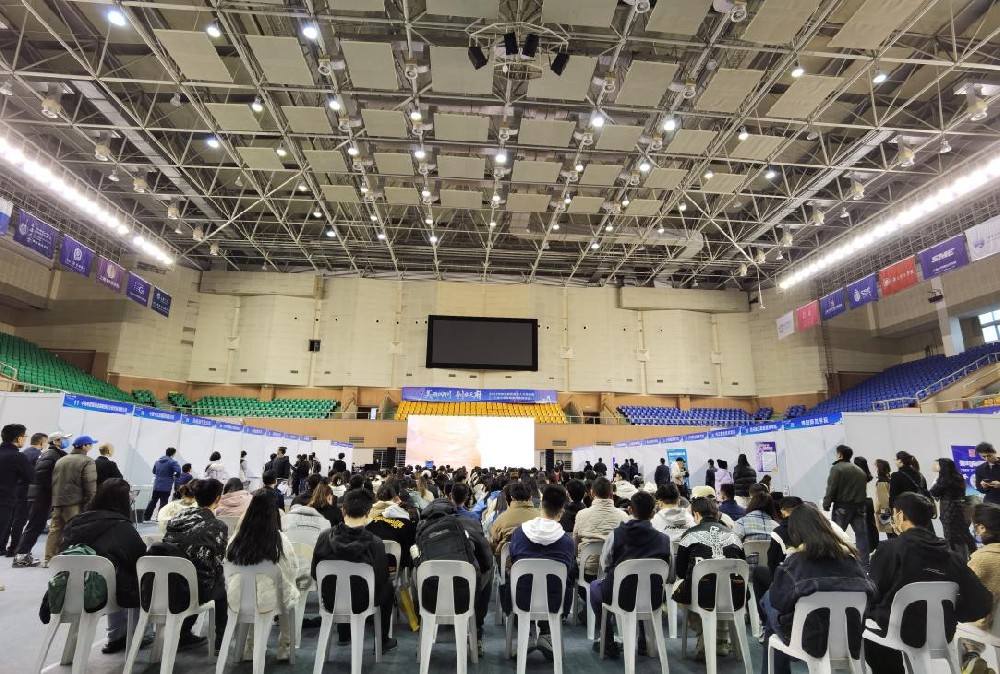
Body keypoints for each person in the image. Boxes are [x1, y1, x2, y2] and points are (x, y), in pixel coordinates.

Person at [865, 493, 992, 673]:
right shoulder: (952, 557)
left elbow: (873, 593)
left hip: (898, 631)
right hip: (942, 633)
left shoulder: (889, 550)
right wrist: (951, 611)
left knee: (866, 620)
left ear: (901, 515)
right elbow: (982, 603)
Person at [761, 505, 876, 674]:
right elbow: (871, 597)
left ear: (795, 533)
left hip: (808, 639)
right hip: (851, 638)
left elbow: (780, 603)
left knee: (768, 599)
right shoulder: (852, 561)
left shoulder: (794, 563)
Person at [60, 478, 147, 654]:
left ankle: (116, 636)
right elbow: (138, 558)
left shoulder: (75, 522)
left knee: (113, 574)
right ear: (123, 500)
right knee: (139, 579)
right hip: (101, 593)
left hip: (68, 589)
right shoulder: (122, 526)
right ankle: (134, 634)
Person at [311, 488, 397, 652]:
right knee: (388, 588)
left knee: (339, 584)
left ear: (343, 510)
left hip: (331, 601)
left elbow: (315, 573)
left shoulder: (324, 537)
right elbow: (381, 578)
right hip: (363, 602)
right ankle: (382, 641)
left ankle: (343, 634)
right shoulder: (375, 543)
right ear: (368, 512)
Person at [590, 491, 671, 657]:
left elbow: (605, 564)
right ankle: (644, 641)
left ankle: (607, 641)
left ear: (629, 510)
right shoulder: (664, 539)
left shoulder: (616, 534)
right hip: (653, 598)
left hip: (620, 595)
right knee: (642, 588)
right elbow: (669, 575)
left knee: (594, 587)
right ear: (653, 513)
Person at [417, 486, 493, 656]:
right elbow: (487, 560)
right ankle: (477, 630)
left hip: (429, 597)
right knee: (488, 571)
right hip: (466, 595)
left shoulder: (421, 529)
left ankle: (423, 633)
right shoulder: (471, 522)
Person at [225, 489, 299, 661]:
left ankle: (250, 646)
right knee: (288, 593)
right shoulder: (279, 540)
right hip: (269, 602)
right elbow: (291, 570)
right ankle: (285, 646)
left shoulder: (235, 539)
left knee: (256, 590)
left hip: (237, 599)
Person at [504, 484, 575, 660]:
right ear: (561, 511)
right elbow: (569, 570)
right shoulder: (567, 542)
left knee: (512, 577)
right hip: (555, 601)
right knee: (562, 580)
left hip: (521, 598)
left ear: (540, 505)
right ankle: (546, 633)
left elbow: (513, 561)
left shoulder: (519, 533)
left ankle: (526, 635)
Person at [673, 496, 745, 660]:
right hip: (734, 596)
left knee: (682, 587)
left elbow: (681, 572)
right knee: (722, 587)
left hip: (701, 596)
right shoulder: (734, 535)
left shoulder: (689, 535)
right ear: (716, 514)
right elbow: (743, 565)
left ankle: (704, 636)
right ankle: (722, 638)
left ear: (696, 514)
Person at [163, 478, 229, 649]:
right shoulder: (217, 525)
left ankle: (184, 632)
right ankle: (221, 640)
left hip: (166, 583)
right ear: (218, 499)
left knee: (196, 575)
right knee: (220, 582)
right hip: (193, 589)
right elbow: (218, 561)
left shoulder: (176, 518)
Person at [11, 431, 69, 568]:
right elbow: (41, 475)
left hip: (43, 495)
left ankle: (22, 554)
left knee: (36, 525)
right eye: (63, 439)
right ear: (55, 441)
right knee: (35, 525)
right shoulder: (50, 454)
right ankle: (21, 556)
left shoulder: (55, 454)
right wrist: (53, 489)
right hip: (42, 496)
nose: (66, 441)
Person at [48, 435, 98, 565]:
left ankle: (49, 559)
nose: (91, 447)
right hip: (74, 502)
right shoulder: (87, 461)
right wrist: (92, 501)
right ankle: (73, 560)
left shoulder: (61, 459)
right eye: (90, 444)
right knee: (75, 530)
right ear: (84, 446)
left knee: (55, 530)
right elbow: (90, 483)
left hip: (58, 501)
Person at [962, 503, 1000, 672]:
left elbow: (963, 591)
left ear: (982, 528)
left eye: (974, 525)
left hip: (986, 628)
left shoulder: (981, 558)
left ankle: (971, 659)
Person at [822, 445, 870, 563]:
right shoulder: (859, 470)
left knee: (836, 534)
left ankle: (836, 560)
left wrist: (826, 503)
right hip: (860, 506)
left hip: (842, 507)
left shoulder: (837, 468)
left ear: (840, 454)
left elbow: (832, 487)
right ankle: (864, 562)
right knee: (861, 535)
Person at [573, 477, 629, 578]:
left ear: (592, 493)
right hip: (614, 573)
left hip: (587, 571)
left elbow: (575, 544)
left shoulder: (581, 514)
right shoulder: (623, 516)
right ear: (612, 494)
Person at [5, 431, 45, 557]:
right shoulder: (37, 455)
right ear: (41, 442)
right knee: (20, 520)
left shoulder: (24, 452)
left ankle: (3, 545)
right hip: (26, 491)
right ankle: (14, 548)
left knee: (11, 519)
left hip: (16, 489)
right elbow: (33, 475)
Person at [930, 457, 977, 558]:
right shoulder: (958, 476)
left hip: (948, 508)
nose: (934, 466)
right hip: (959, 506)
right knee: (963, 532)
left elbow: (934, 492)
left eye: (936, 464)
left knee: (950, 534)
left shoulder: (944, 479)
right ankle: (972, 553)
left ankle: (956, 557)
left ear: (942, 467)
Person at [0, 424, 33, 562]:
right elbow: (30, 477)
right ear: (19, 439)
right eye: (24, 437)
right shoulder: (18, 457)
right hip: (4, 502)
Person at [367, 484, 416, 567]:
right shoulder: (407, 517)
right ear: (395, 496)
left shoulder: (368, 515)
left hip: (374, 565)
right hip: (399, 564)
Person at [491, 481, 540, 556]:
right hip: (539, 559)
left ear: (512, 498)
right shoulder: (541, 517)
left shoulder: (501, 519)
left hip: (510, 560)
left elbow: (493, 542)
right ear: (531, 498)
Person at [144, 447, 180, 520]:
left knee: (153, 501)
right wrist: (175, 476)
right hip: (166, 486)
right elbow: (178, 471)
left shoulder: (157, 462)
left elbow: (154, 471)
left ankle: (146, 517)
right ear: (173, 454)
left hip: (157, 485)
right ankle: (160, 518)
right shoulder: (173, 462)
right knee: (163, 502)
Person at [854, 456, 879, 553]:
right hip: (868, 500)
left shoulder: (856, 475)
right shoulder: (867, 475)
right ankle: (875, 545)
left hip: (861, 502)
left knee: (863, 528)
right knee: (872, 525)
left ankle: (868, 548)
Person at [873, 459, 894, 543]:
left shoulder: (881, 481)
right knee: (892, 532)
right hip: (891, 509)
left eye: (875, 465)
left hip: (885, 510)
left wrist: (884, 514)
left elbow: (884, 499)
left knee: (890, 533)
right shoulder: (889, 479)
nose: (874, 467)